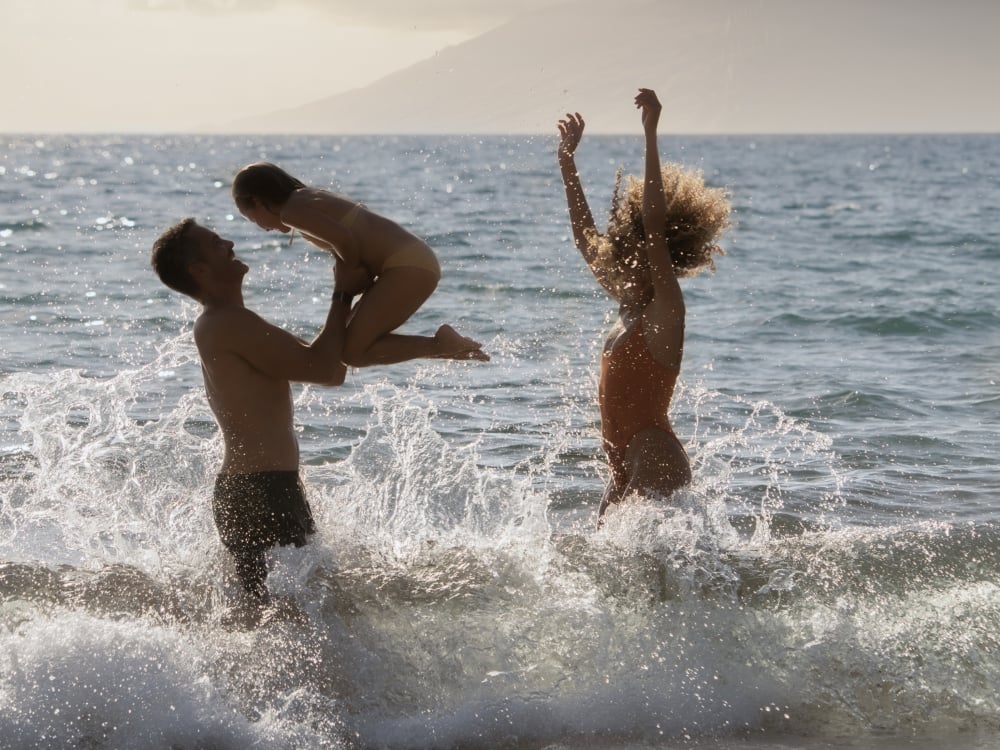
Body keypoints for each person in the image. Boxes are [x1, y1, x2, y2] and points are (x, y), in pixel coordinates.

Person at [150, 218, 350, 626]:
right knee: (290, 623)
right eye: (214, 242)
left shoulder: (224, 322)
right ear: (200, 271)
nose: (229, 241)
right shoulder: (228, 324)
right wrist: (345, 291)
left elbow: (326, 365)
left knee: (270, 622)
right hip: (262, 490)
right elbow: (327, 369)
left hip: (257, 488)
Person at [557, 89, 731, 523]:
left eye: (639, 250)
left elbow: (653, 223)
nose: (625, 257)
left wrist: (650, 132)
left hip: (654, 457)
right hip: (621, 466)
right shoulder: (628, 306)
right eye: (625, 250)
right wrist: (567, 164)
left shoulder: (664, 309)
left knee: (648, 581)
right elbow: (584, 238)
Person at [231, 161, 489, 367]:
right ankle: (451, 349)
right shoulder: (305, 199)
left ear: (256, 200)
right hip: (411, 261)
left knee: (353, 353)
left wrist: (348, 275)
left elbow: (346, 240)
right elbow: (347, 239)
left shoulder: (291, 211)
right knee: (347, 349)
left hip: (407, 266)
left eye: (252, 219)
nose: (261, 228)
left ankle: (441, 345)